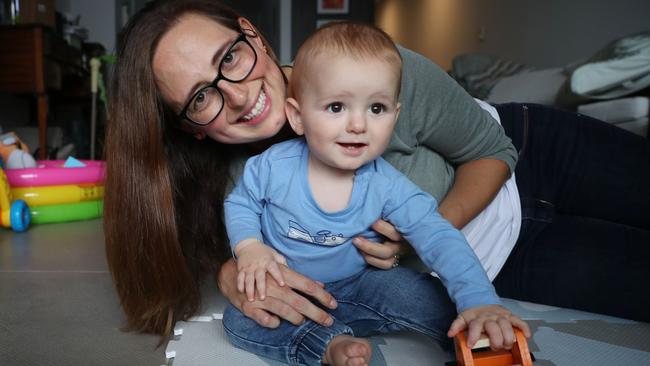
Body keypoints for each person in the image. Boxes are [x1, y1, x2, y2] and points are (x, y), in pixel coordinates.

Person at [104, 0, 650, 347]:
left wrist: (425, 226)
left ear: (253, 33)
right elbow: (237, 239)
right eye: (202, 97)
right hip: (505, 257)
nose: (239, 95)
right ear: (189, 127)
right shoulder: (239, 178)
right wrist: (232, 268)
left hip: (534, 154)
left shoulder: (374, 68)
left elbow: (492, 151)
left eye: (231, 57)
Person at [221, 22, 530, 366]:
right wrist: (249, 247)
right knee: (239, 320)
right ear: (297, 116)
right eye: (336, 107)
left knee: (424, 294)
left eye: (376, 109)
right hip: (292, 289)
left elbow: (438, 235)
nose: (358, 124)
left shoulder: (388, 184)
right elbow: (241, 203)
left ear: (394, 116)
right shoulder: (271, 166)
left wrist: (478, 301)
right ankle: (327, 345)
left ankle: (478, 336)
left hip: (366, 283)